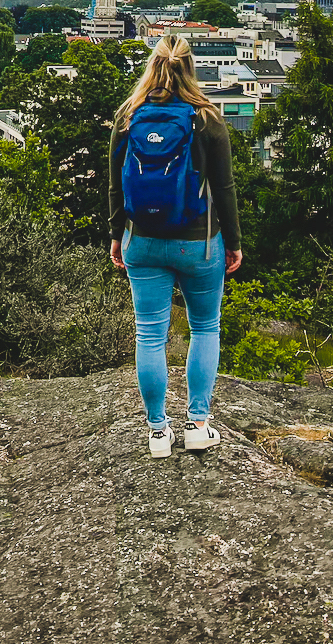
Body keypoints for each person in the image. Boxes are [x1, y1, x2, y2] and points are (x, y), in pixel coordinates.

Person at [109, 33, 243, 458]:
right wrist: (234, 243)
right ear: (191, 67)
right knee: (204, 327)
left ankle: (156, 433)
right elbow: (224, 187)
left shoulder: (129, 116)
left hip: (142, 242)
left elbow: (116, 186)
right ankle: (198, 425)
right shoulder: (207, 118)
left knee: (150, 335)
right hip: (198, 243)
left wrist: (117, 236)